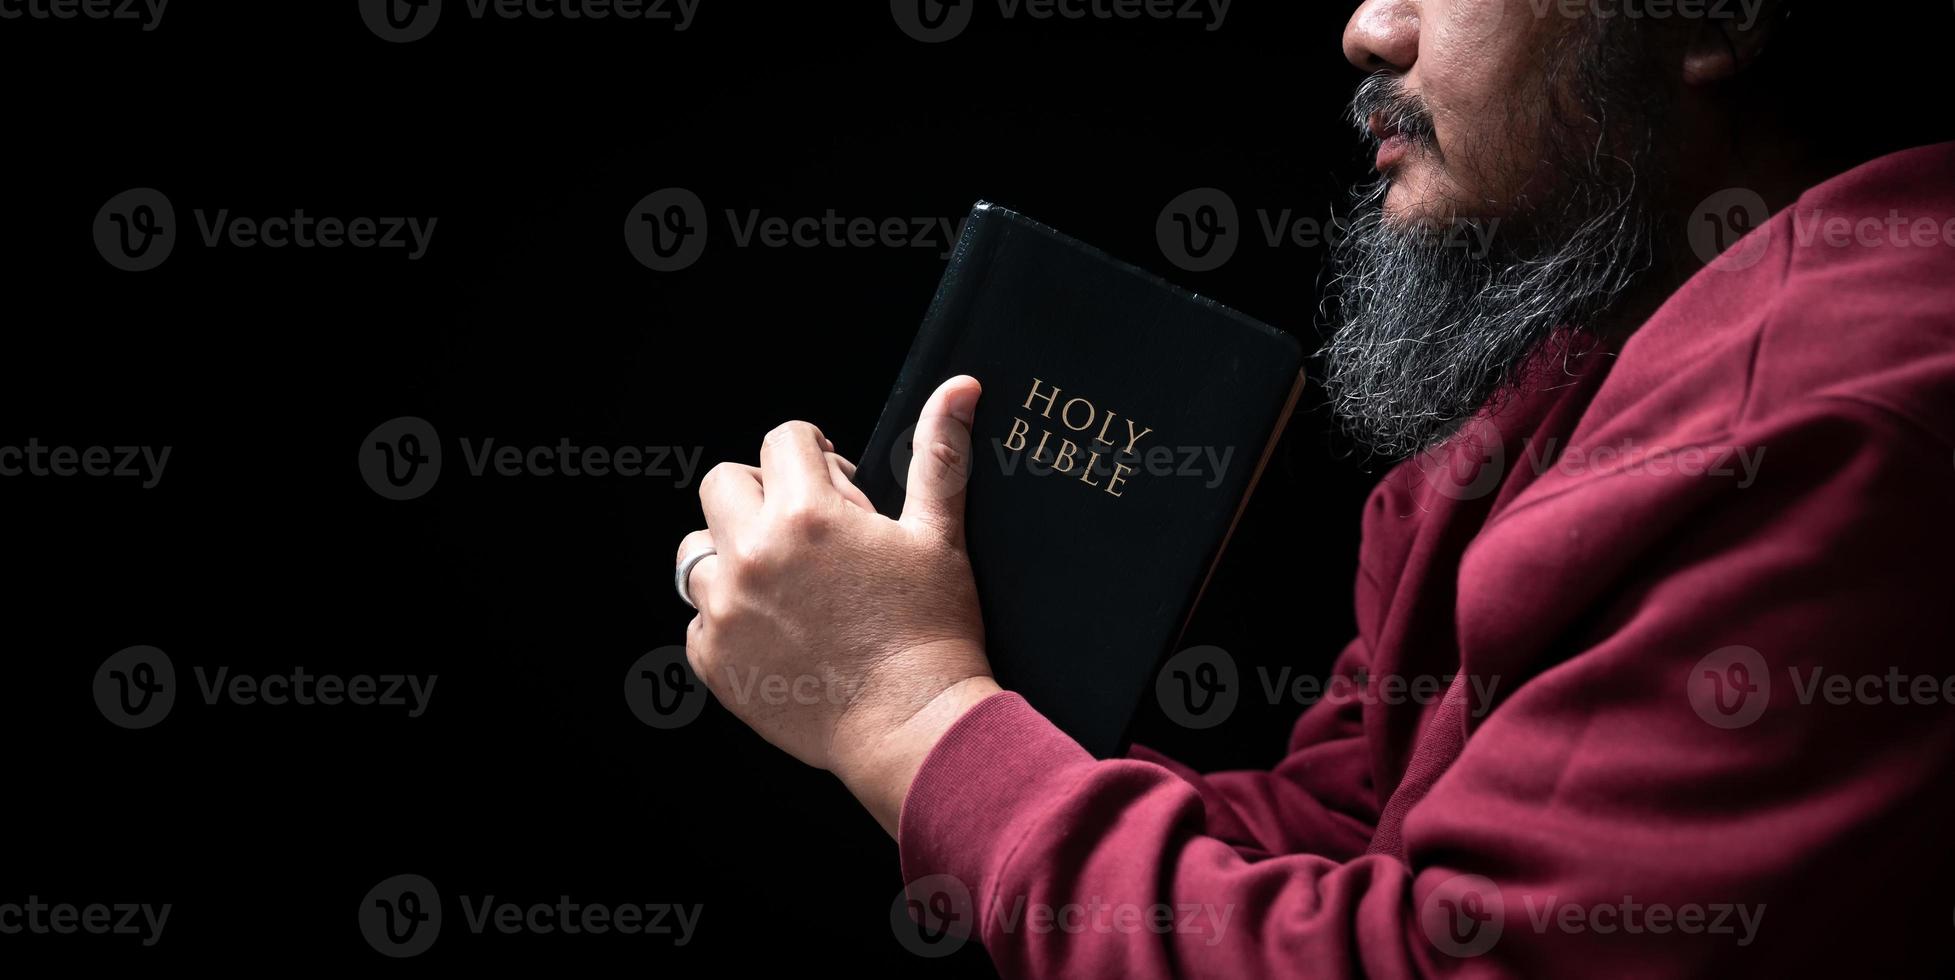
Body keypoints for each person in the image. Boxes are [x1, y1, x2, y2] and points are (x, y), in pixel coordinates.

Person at [672, 1, 1955, 974]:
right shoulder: (1563, 390)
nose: (1364, 30)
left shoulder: (1841, 409)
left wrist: (907, 714)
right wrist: (899, 672)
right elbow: (1350, 830)